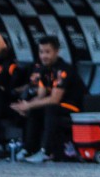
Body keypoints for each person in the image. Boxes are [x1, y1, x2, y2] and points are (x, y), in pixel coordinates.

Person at [10, 35, 85, 163]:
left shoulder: (63, 70)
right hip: (57, 106)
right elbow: (41, 95)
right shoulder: (44, 70)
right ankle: (29, 149)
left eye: (48, 52)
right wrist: (25, 105)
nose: (44, 56)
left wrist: (29, 105)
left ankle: (46, 151)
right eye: (41, 52)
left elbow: (55, 99)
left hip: (74, 107)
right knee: (35, 108)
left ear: (56, 51)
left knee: (51, 107)